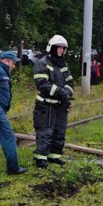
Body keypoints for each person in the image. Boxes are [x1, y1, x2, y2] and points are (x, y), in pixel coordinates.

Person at [32, 35, 74, 168]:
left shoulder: (62, 64)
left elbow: (70, 82)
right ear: (52, 48)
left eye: (63, 48)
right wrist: (60, 92)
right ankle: (41, 157)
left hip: (60, 105)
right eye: (59, 47)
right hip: (46, 104)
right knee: (45, 131)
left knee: (59, 131)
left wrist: (67, 92)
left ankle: (54, 155)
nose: (61, 50)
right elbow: (42, 84)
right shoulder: (43, 63)